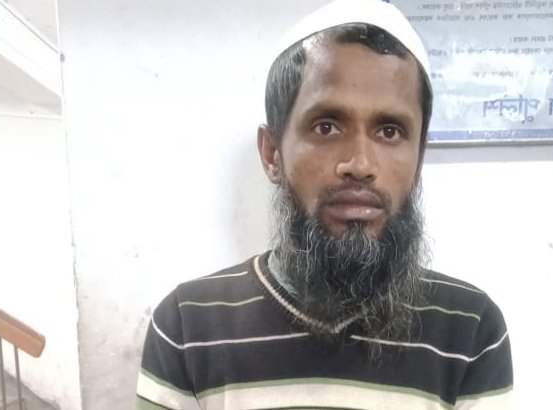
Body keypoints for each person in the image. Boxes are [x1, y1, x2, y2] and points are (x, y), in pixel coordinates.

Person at [137, 0, 513, 408]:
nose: (360, 165)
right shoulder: (187, 326)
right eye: (327, 126)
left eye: (389, 131)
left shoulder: (469, 330)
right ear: (272, 153)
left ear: (419, 159)